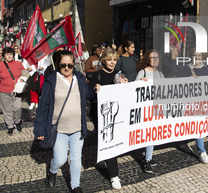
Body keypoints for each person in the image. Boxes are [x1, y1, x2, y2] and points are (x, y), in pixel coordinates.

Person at [34, 50, 96, 192]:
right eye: (63, 65)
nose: (67, 68)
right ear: (58, 65)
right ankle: (52, 170)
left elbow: (89, 95)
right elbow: (43, 107)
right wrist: (39, 129)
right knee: (60, 159)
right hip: (59, 128)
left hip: (77, 128)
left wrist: (97, 89)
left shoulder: (79, 78)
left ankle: (75, 186)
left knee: (75, 158)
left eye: (70, 65)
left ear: (74, 65)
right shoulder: (51, 80)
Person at [89, 48, 128, 190]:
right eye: (110, 59)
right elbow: (89, 94)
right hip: (100, 113)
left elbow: (125, 93)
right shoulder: (97, 75)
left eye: (115, 59)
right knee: (107, 138)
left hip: (115, 113)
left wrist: (127, 85)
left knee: (109, 139)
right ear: (104, 60)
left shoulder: (119, 74)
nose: (113, 62)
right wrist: (95, 89)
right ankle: (114, 176)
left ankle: (103, 158)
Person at [177, 48, 208, 164]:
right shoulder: (185, 69)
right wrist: (187, 80)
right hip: (190, 103)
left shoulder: (206, 69)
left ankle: (183, 142)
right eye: (194, 55)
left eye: (199, 55)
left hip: (202, 102)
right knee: (197, 126)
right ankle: (202, 152)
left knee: (197, 126)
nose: (197, 58)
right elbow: (177, 85)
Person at [135, 50, 164, 173]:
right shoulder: (143, 72)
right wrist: (140, 81)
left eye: (156, 57)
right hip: (146, 109)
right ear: (148, 59)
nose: (155, 60)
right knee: (150, 134)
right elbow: (134, 88)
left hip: (157, 108)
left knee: (153, 133)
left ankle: (149, 156)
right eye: (152, 58)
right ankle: (147, 160)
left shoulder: (160, 73)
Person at [0, 47, 25, 135]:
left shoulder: (18, 63)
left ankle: (17, 122)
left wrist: (22, 78)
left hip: (16, 90)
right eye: (7, 54)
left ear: (13, 55)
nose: (9, 56)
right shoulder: (0, 65)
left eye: (10, 54)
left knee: (17, 108)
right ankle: (10, 125)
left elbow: (25, 73)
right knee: (7, 109)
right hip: (4, 91)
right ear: (4, 56)